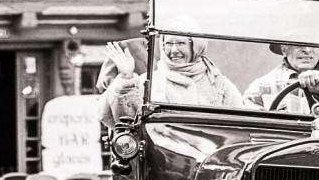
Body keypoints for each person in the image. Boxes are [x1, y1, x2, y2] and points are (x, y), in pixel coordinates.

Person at [97, 19, 241, 128]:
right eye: (168, 44)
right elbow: (122, 120)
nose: (173, 51)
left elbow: (240, 123)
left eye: (180, 44)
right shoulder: (150, 82)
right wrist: (126, 78)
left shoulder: (219, 84)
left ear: (196, 46)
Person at [242, 40, 319, 114]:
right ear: (284, 49)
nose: (307, 50)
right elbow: (255, 132)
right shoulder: (260, 87)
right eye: (299, 43)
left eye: (313, 43)